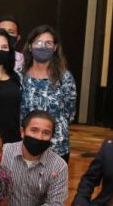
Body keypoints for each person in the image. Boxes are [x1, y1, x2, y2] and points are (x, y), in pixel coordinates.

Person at [20, 25, 77, 162]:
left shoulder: (65, 78)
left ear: (55, 47)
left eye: (48, 43)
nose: (43, 47)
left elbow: (70, 112)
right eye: (38, 42)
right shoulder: (19, 76)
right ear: (30, 46)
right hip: (26, 145)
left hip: (57, 145)